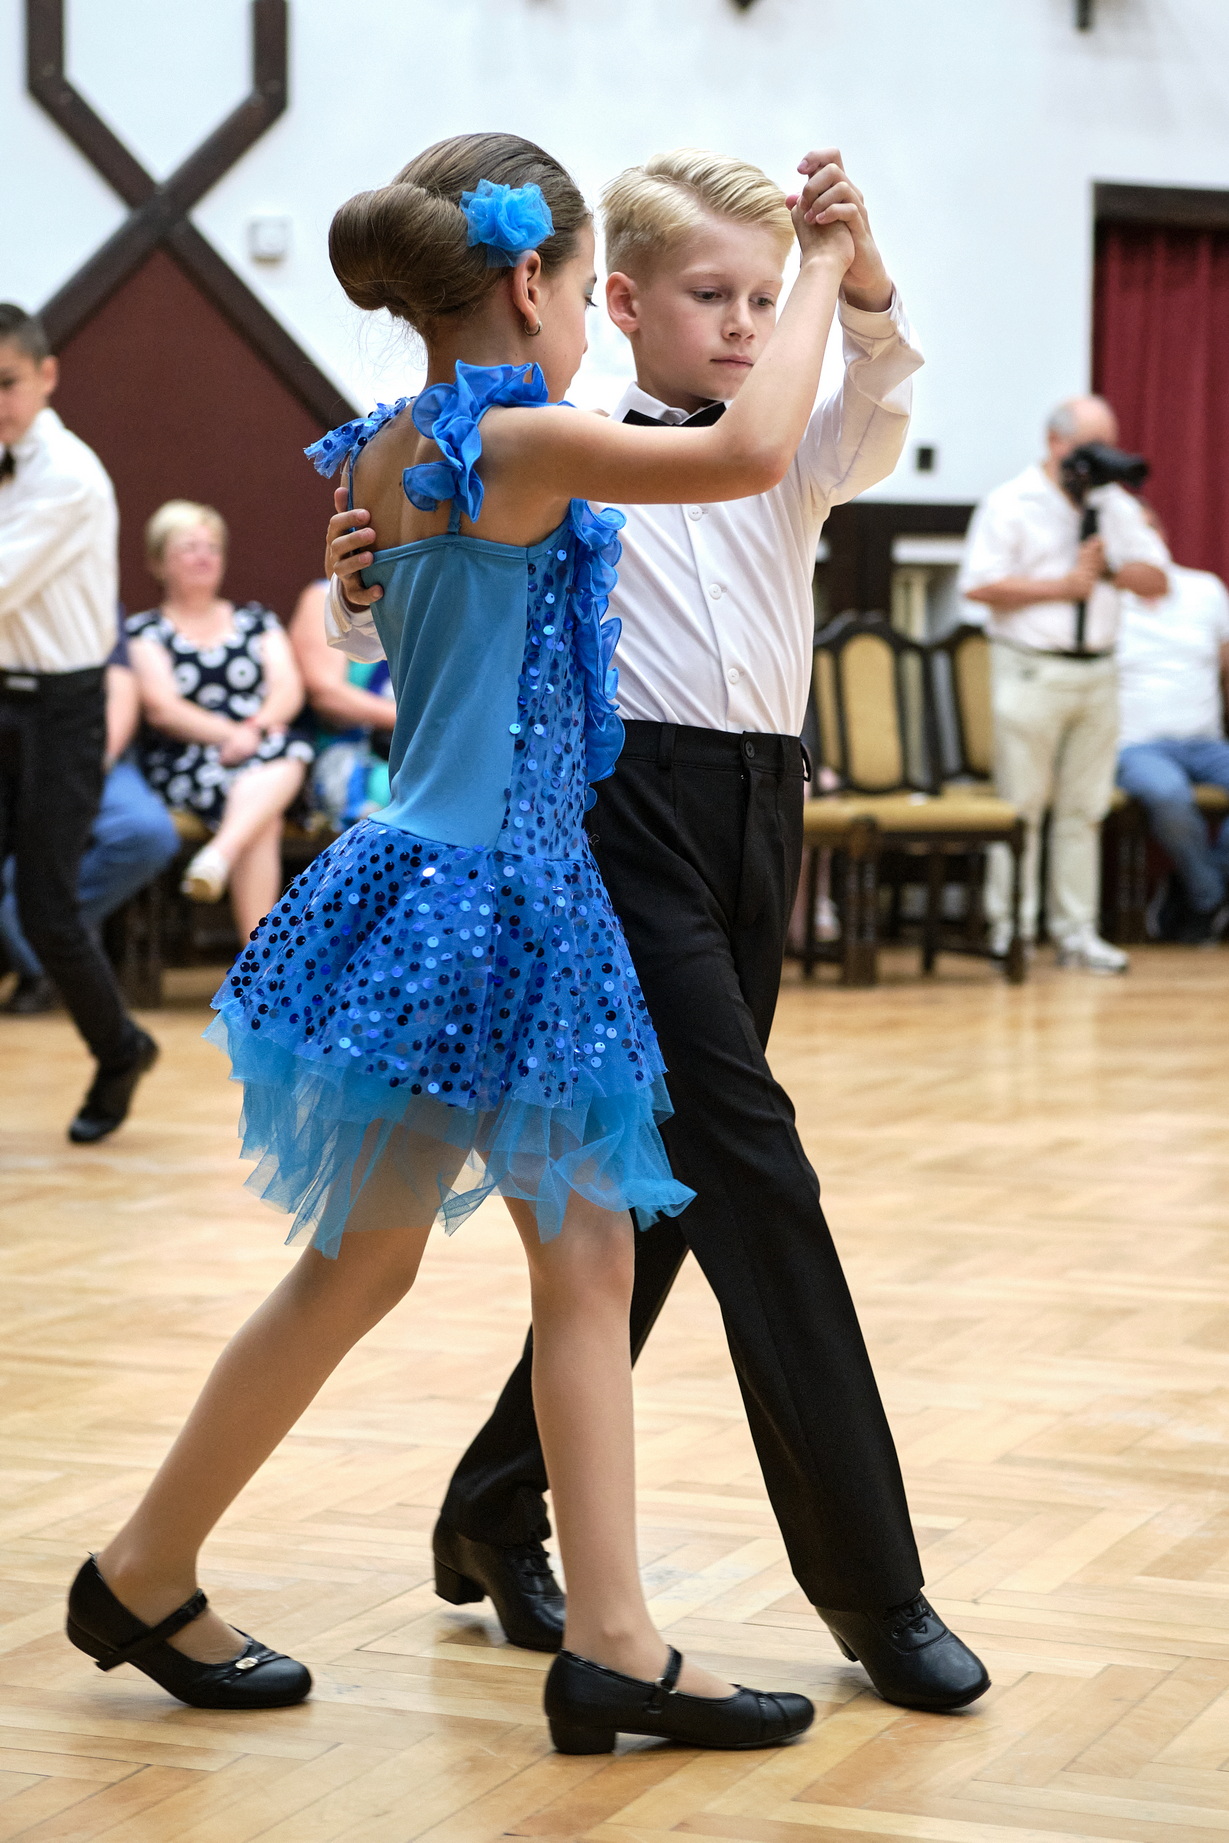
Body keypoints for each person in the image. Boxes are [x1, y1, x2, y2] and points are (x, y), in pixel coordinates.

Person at [65, 130, 853, 1755]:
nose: (586, 315)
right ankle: (605, 1641)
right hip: (502, 898)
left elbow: (403, 619)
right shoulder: (518, 437)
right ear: (532, 282)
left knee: (424, 1261)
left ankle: (148, 1569)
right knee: (562, 1260)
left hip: (421, 885)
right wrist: (826, 268)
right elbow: (753, 446)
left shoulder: (387, 446)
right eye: (589, 283)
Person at [329, 147, 990, 1714]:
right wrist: (355, 581)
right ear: (614, 300)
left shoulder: (795, 437)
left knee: (664, 1192)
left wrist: (857, 281)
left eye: (765, 298)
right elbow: (422, 581)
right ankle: (875, 1586)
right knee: (755, 1171)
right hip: (620, 819)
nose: (748, 324)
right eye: (713, 295)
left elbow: (872, 403)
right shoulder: (565, 431)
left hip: (761, 812)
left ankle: (496, 1501)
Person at [0, 302, 158, 1142]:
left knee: (47, 908)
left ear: (47, 375)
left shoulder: (68, 475)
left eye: (6, 383)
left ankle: (120, 1049)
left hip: (62, 709)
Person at [960, 396, 1170, 972]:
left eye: (1109, 446)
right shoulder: (1011, 502)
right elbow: (978, 585)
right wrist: (1062, 586)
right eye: (1089, 446)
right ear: (1056, 443)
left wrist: (1108, 570)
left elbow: (1158, 579)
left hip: (1098, 671)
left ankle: (1077, 933)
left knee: (1084, 809)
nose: (1100, 458)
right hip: (1032, 667)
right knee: (1021, 806)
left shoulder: (1115, 506)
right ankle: (1012, 930)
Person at [127, 502, 312, 944]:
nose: (204, 556)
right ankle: (259, 964)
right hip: (189, 759)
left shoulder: (256, 620)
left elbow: (289, 688)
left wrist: (256, 730)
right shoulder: (144, 631)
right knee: (264, 817)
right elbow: (163, 708)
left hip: (265, 746)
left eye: (212, 547)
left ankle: (219, 855)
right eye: (189, 547)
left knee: (290, 752)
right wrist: (235, 736)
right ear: (158, 562)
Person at [0, 625, 179, 1013]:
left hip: (91, 755)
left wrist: (91, 763)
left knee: (148, 833)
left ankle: (34, 943)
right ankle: (42, 954)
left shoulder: (87, 599)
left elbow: (121, 691)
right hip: (15, 757)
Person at [1116, 559, 1229, 944]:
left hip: (1207, 741)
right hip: (1136, 746)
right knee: (1169, 795)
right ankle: (1208, 896)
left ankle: (1195, 882)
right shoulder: (1103, 598)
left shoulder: (1206, 589)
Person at [288, 577, 395, 829]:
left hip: (430, 751)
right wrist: (422, 721)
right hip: (354, 753)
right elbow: (327, 695)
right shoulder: (326, 594)